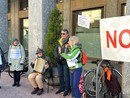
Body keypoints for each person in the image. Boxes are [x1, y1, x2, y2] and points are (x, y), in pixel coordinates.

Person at [54, 29, 71, 97]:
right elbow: (55, 50)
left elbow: (68, 52)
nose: (62, 35)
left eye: (64, 34)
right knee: (60, 75)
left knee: (66, 76)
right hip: (59, 61)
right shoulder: (59, 41)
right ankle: (61, 88)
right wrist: (57, 57)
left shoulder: (69, 42)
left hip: (65, 62)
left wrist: (61, 58)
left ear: (67, 34)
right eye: (61, 34)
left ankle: (67, 89)